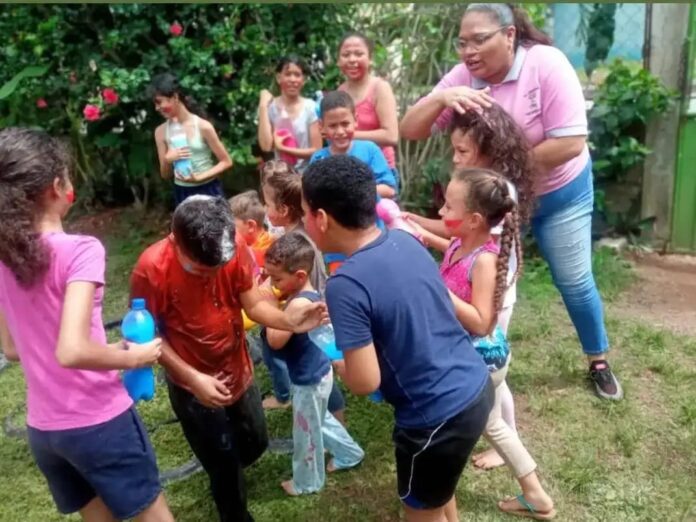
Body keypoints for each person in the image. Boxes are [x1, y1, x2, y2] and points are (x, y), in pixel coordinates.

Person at [400, 2, 622, 400]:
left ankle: (598, 359)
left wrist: (500, 172)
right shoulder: (463, 76)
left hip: (559, 192)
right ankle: (486, 358)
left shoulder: (545, 65)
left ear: (509, 35)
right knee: (491, 282)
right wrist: (443, 97)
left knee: (573, 281)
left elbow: (571, 142)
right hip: (498, 199)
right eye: (462, 42)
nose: (469, 51)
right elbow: (410, 129)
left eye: (479, 40)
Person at [301, 154, 494, 522]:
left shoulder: (346, 283)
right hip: (474, 387)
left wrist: (336, 362)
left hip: (433, 419)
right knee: (439, 489)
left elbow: (365, 381)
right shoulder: (405, 241)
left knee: (420, 511)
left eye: (304, 212)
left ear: (322, 219)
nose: (304, 221)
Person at [0, 128, 174, 522]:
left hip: (45, 432)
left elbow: (11, 348)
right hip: (98, 423)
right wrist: (133, 356)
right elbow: (73, 349)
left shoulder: (4, 258)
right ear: (55, 187)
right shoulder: (80, 250)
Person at [129, 195, 327, 522]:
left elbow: (252, 304)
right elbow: (146, 338)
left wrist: (288, 321)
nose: (212, 277)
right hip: (191, 379)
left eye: (217, 269)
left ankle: (228, 469)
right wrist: (193, 379)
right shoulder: (151, 269)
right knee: (223, 465)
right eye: (200, 269)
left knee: (255, 443)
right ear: (175, 240)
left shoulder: (230, 243)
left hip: (237, 364)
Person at [404, 106, 536, 470]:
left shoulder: (490, 193)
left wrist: (422, 231)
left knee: (493, 378)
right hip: (475, 295)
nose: (455, 158)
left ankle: (504, 437)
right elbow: (457, 241)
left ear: (490, 150)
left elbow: (462, 238)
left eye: (463, 151)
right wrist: (419, 227)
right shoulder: (475, 191)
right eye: (454, 150)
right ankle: (490, 428)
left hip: (491, 299)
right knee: (485, 376)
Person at [428, 167, 555, 519]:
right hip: (474, 361)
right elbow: (447, 245)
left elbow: (483, 322)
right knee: (493, 424)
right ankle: (537, 496)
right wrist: (418, 235)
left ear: (473, 220)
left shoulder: (483, 260)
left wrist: (437, 291)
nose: (440, 213)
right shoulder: (459, 242)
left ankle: (440, 498)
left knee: (455, 431)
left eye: (447, 208)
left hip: (481, 363)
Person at [263, 233, 364, 496]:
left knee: (305, 431)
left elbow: (275, 340)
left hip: (308, 378)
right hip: (318, 371)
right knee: (319, 419)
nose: (271, 284)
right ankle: (349, 454)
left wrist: (268, 303)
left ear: (298, 276)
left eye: (276, 279)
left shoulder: (297, 303)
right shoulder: (304, 292)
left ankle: (307, 482)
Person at [259, 161, 347, 425]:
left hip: (311, 311)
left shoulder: (297, 241)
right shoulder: (294, 234)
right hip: (307, 307)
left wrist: (274, 295)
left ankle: (338, 424)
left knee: (319, 370)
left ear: (283, 210)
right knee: (315, 369)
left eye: (267, 204)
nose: (264, 209)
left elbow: (303, 281)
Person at [152, 73, 233, 206]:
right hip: (182, 193)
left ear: (175, 97)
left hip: (209, 190)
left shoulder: (203, 126)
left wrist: (198, 178)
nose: (157, 108)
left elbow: (226, 161)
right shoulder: (160, 132)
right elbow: (165, 175)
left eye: (159, 102)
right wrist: (168, 159)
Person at [337, 32, 400, 185]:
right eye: (346, 55)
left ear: (370, 59)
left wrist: (349, 134)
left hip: (380, 171)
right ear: (339, 61)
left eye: (358, 54)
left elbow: (391, 136)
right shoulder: (340, 92)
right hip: (350, 172)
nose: (352, 59)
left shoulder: (380, 88)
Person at [310, 90, 398, 199]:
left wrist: (353, 192)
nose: (340, 131)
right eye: (333, 126)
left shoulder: (370, 150)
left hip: (368, 215)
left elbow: (389, 189)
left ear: (355, 120)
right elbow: (311, 195)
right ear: (321, 126)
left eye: (345, 124)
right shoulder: (319, 159)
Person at [258, 55, 322, 173]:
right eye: (288, 74)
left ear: (303, 80)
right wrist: (262, 106)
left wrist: (284, 149)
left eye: (297, 75)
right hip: (282, 176)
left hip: (307, 175)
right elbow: (266, 146)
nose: (293, 79)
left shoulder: (311, 108)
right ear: (278, 78)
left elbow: (317, 151)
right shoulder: (270, 108)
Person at [229, 190, 274, 273]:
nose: (229, 232)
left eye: (232, 227)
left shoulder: (255, 254)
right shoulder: (273, 240)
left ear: (250, 226)